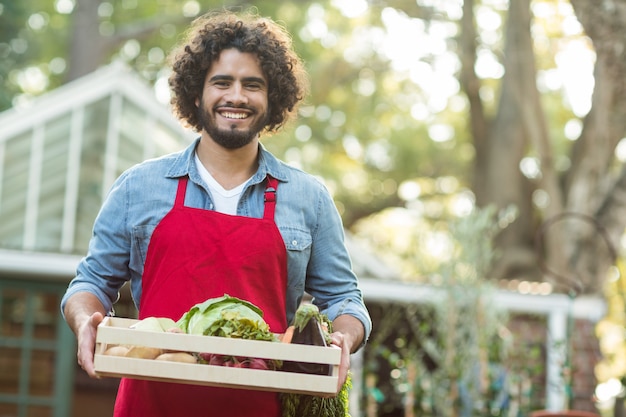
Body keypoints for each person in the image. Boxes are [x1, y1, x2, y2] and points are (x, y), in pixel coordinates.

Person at [61, 8, 371, 417]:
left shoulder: (308, 198)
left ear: (272, 98)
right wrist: (86, 321)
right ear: (196, 93)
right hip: (151, 406)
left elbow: (345, 300)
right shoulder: (140, 187)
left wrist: (343, 339)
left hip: (263, 407)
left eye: (252, 85)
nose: (237, 96)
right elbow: (91, 282)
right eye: (222, 82)